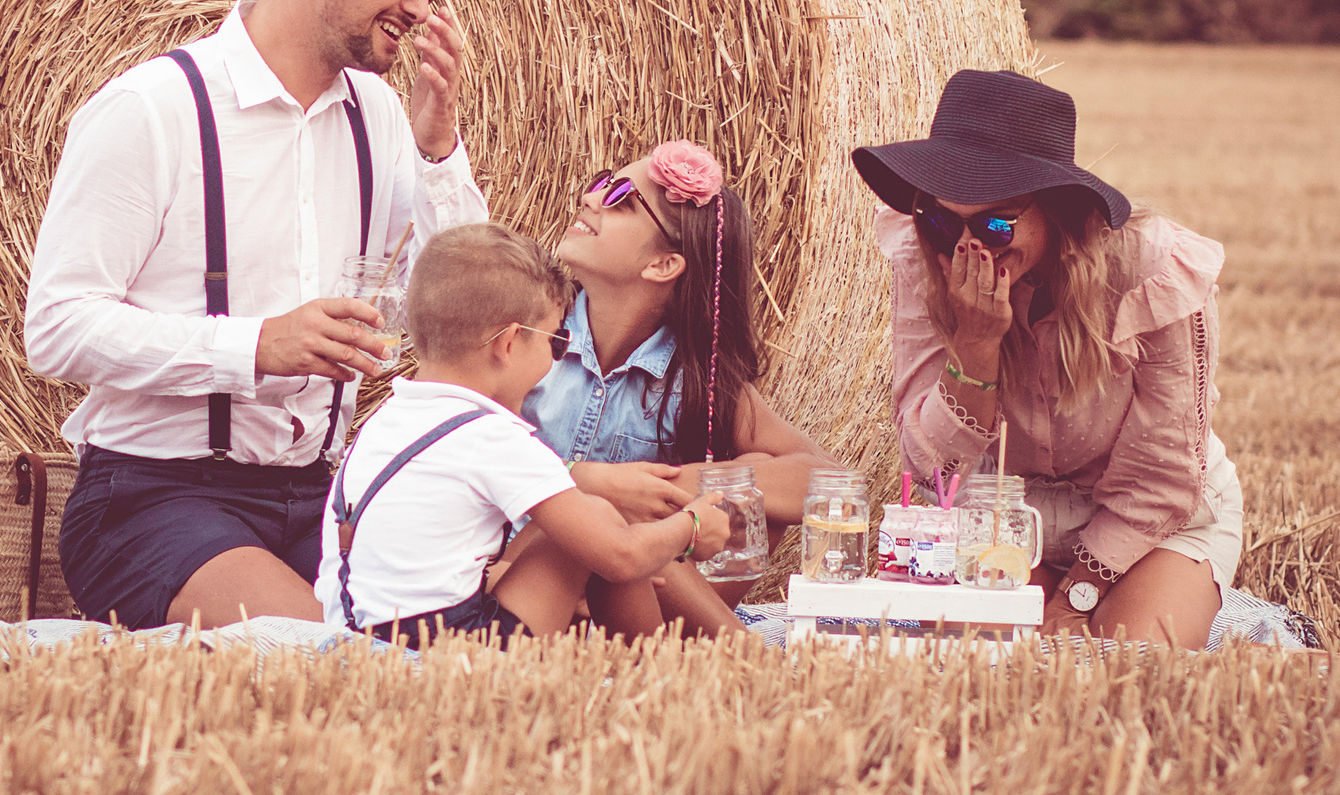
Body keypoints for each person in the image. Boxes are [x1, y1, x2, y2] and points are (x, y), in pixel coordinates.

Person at [26, 0, 486, 630]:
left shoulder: (379, 118)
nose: (420, 6)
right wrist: (258, 345)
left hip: (322, 493)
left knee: (483, 631)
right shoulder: (153, 108)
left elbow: (458, 311)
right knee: (325, 659)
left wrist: (438, 147)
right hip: (153, 498)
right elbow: (56, 328)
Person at [855, 69, 1241, 648]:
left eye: (994, 222)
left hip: (1155, 523)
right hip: (1002, 514)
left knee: (1120, 667)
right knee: (992, 669)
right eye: (941, 219)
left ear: (1056, 211)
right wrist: (975, 347)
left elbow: (1161, 473)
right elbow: (930, 467)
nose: (967, 246)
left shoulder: (1153, 270)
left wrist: (1076, 597)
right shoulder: (923, 259)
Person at [319, 222, 728, 645]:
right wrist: (692, 526)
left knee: (588, 529)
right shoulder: (490, 436)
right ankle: (663, 675)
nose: (555, 359)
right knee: (605, 519)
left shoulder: (389, 418)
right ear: (510, 343)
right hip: (451, 659)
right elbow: (621, 556)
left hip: (361, 636)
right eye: (553, 340)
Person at [524, 138, 838, 636]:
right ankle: (734, 651)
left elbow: (824, 478)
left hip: (634, 600)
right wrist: (595, 484)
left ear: (663, 265)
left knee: (750, 484)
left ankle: (698, 644)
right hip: (527, 583)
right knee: (613, 516)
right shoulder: (531, 339)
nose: (590, 198)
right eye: (602, 182)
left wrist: (673, 489)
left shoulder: (694, 382)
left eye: (621, 199)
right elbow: (462, 453)